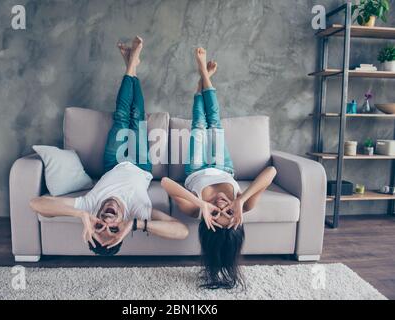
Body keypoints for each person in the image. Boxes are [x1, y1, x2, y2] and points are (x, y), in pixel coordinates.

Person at [30, 36, 189, 256]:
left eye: (98, 227)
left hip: (114, 162)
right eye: (112, 229)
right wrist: (135, 225)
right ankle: (131, 64)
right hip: (142, 166)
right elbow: (181, 231)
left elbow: (36, 204)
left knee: (123, 115)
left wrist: (82, 216)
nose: (105, 221)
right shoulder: (138, 214)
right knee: (137, 116)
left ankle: (132, 64)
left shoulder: (88, 206)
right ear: (121, 230)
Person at [161, 47, 277, 289]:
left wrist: (202, 204)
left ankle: (203, 76)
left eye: (216, 214)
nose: (223, 207)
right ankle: (204, 74)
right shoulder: (243, 205)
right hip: (222, 166)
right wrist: (242, 199)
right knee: (214, 120)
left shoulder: (195, 210)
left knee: (199, 123)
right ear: (237, 219)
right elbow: (271, 172)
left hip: (196, 169)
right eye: (229, 214)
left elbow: (166, 183)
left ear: (207, 221)